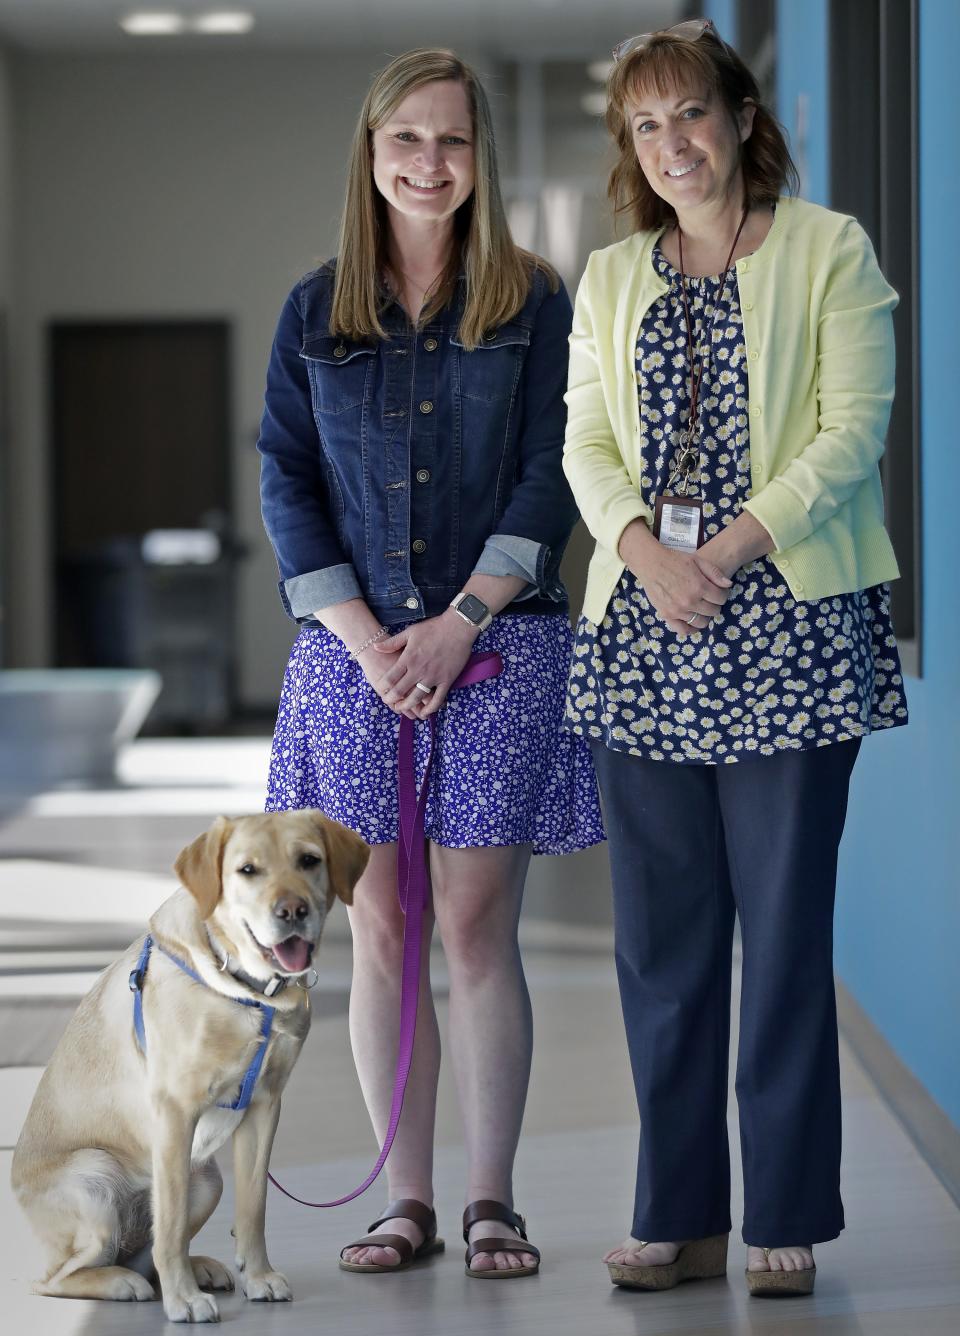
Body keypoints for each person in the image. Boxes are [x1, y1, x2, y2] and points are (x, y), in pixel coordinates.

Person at [563, 20, 908, 1297]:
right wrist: (651, 554)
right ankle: (677, 1213)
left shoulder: (829, 249)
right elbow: (586, 444)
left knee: (782, 928)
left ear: (740, 114)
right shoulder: (608, 279)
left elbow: (852, 427)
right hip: (646, 628)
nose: (672, 146)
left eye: (689, 115)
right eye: (646, 127)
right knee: (661, 943)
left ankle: (785, 1215)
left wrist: (736, 548)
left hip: (793, 625)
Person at [257, 48, 603, 1279]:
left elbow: (553, 466)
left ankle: (492, 1200)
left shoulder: (534, 300)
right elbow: (286, 482)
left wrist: (460, 620)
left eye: (452, 141)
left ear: (481, 159)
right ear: (371, 151)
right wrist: (367, 640)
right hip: (351, 654)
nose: (428, 162)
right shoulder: (315, 310)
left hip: (499, 640)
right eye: (406, 139)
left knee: (471, 921)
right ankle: (403, 1200)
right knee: (383, 922)